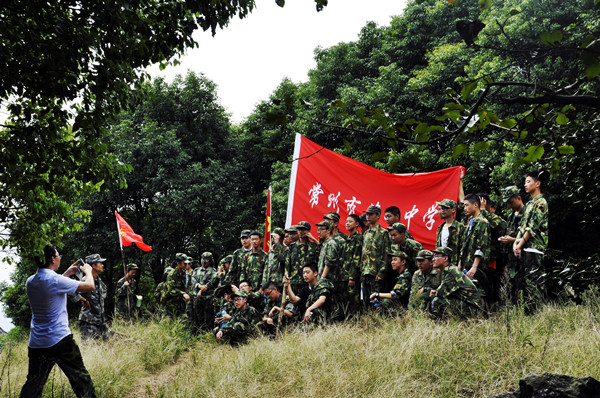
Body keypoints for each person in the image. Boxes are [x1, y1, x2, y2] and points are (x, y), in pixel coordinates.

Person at [20, 244, 97, 398]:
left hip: (37, 342)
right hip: (60, 340)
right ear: (52, 259)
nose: (59, 258)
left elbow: (50, 285)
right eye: (58, 256)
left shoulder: (31, 281)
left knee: (34, 384)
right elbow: (90, 286)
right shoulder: (56, 281)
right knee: (81, 380)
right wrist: (88, 271)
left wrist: (66, 274)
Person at [512, 170, 549, 311]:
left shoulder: (541, 202)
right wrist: (516, 243)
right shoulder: (529, 204)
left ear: (537, 184)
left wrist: (519, 244)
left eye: (528, 182)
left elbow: (532, 227)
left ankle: (540, 311)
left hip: (536, 247)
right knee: (527, 281)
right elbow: (523, 226)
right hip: (525, 247)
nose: (525, 185)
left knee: (536, 281)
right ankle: (530, 311)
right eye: (525, 182)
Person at [458, 193, 492, 306]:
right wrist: (460, 263)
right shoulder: (470, 222)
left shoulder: (482, 222)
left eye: (467, 205)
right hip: (466, 262)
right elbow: (464, 245)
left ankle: (481, 315)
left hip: (477, 265)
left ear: (476, 205)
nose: (464, 208)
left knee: (478, 291)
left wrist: (474, 266)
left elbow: (481, 246)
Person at [429, 247, 482, 318]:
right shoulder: (448, 270)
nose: (433, 259)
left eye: (436, 256)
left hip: (472, 309)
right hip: (466, 304)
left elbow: (441, 293)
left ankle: (442, 321)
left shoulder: (451, 271)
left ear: (445, 258)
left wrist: (434, 292)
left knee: (437, 300)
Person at [74, 253, 111, 340]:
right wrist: (84, 300)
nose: (102, 265)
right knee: (88, 349)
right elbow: (72, 292)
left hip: (100, 323)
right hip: (88, 323)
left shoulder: (100, 282)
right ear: (93, 266)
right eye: (100, 263)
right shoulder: (85, 280)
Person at [360, 205, 391, 307]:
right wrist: (361, 271)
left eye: (370, 214)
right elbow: (363, 254)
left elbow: (386, 254)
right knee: (365, 301)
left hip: (376, 273)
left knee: (376, 302)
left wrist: (381, 272)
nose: (367, 216)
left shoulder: (383, 233)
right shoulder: (366, 233)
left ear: (377, 216)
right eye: (367, 214)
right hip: (366, 272)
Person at [499, 186, 525, 302]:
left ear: (518, 198)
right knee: (511, 286)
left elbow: (529, 235)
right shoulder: (510, 216)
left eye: (511, 202)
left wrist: (513, 240)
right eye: (507, 203)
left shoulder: (526, 214)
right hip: (510, 257)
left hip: (523, 256)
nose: (509, 205)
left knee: (523, 285)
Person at [286, 221, 319, 293]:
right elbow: (287, 263)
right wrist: (287, 277)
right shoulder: (292, 246)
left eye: (303, 229)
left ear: (308, 231)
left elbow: (321, 254)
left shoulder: (313, 245)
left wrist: (313, 239)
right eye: (299, 229)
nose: (301, 231)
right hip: (295, 280)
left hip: (309, 281)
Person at [340, 214, 363, 315]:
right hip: (345, 274)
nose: (347, 223)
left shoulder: (358, 238)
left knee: (354, 300)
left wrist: (352, 277)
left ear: (357, 224)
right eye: (346, 222)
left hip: (352, 275)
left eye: (350, 221)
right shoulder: (348, 238)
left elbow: (356, 259)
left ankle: (356, 320)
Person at [191, 252, 219, 331]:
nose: (203, 263)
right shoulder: (196, 270)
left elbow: (212, 282)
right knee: (198, 317)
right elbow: (193, 280)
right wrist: (199, 286)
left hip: (208, 298)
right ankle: (199, 333)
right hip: (197, 298)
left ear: (210, 261)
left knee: (208, 317)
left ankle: (207, 333)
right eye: (202, 260)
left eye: (205, 261)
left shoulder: (213, 271)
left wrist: (203, 288)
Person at [435, 199, 465, 265]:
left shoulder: (460, 227)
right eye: (440, 209)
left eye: (444, 208)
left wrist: (460, 264)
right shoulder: (440, 227)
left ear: (453, 210)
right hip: (441, 264)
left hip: (454, 264)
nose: (441, 211)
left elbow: (463, 248)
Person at [162, 253, 191, 318]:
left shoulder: (183, 273)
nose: (186, 265)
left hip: (180, 304)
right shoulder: (172, 274)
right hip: (171, 304)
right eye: (184, 263)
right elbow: (171, 290)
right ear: (178, 263)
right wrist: (183, 294)